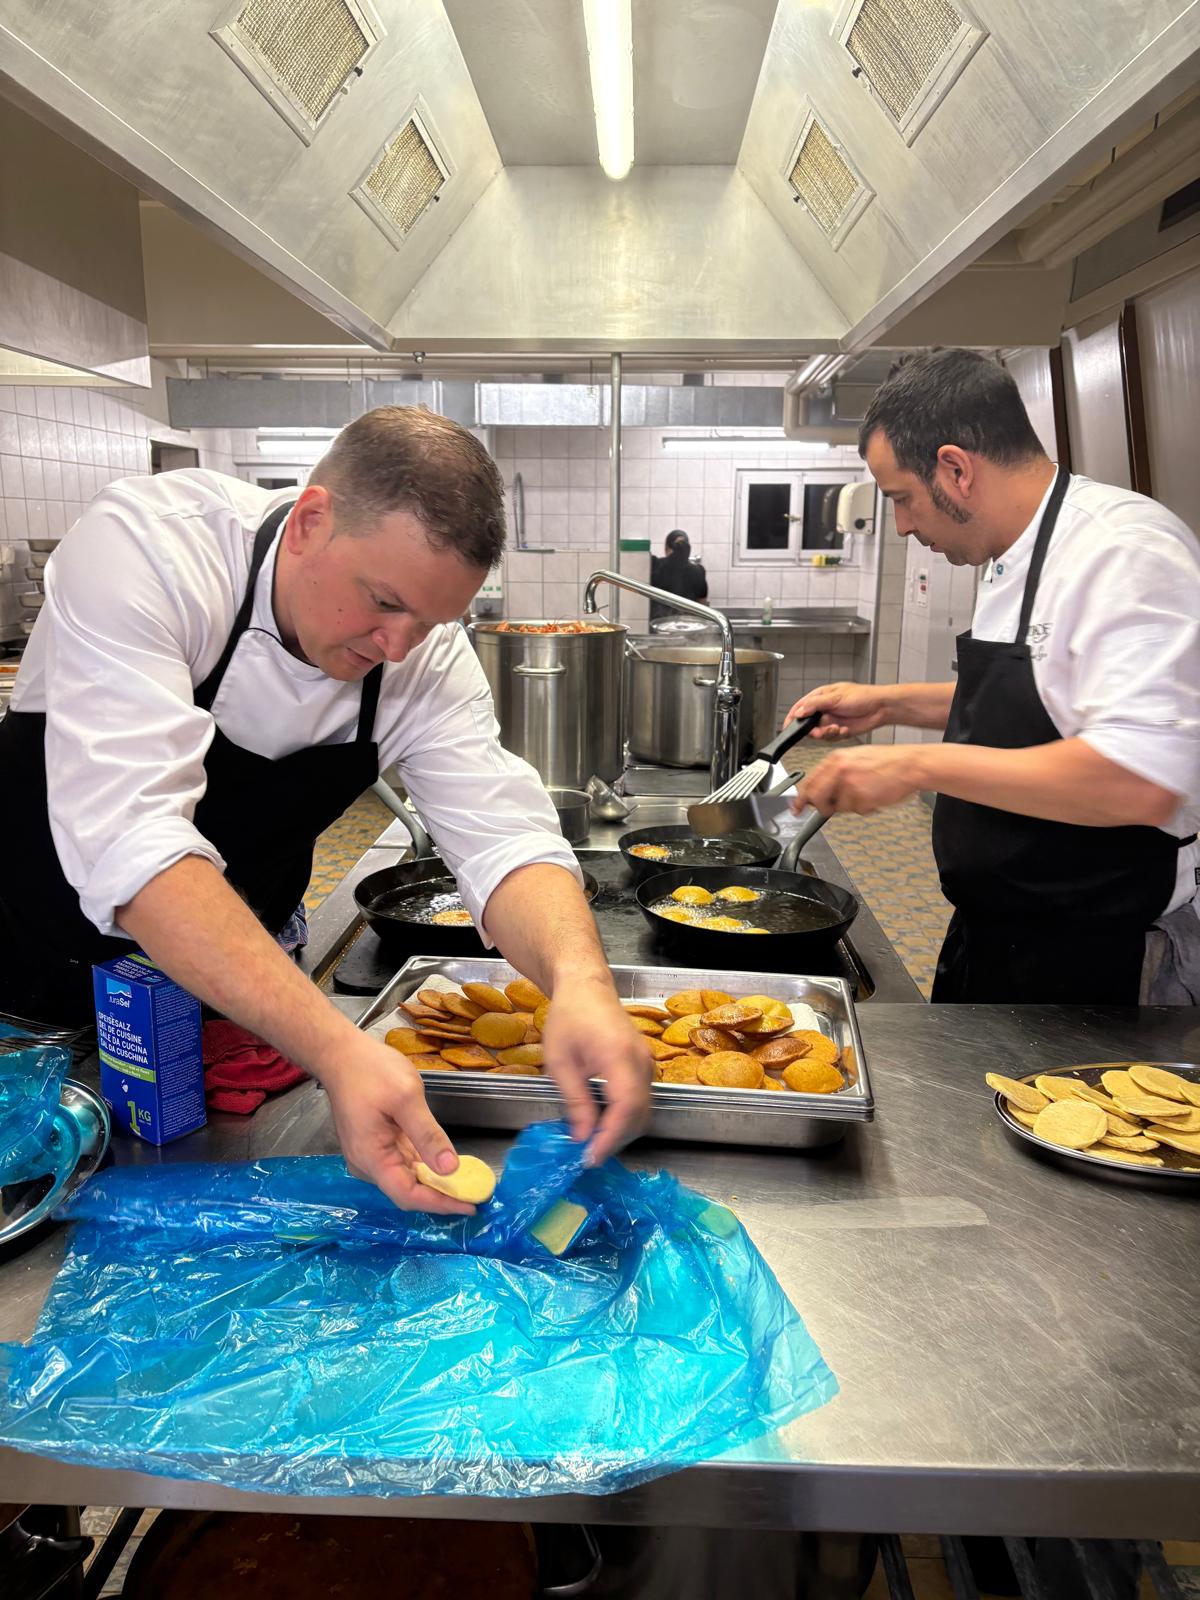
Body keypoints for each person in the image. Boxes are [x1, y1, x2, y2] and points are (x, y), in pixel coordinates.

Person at [0, 406, 651, 1208]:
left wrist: (581, 979)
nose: (401, 647)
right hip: (27, 1010)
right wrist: (340, 1051)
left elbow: (503, 836)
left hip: (230, 1009)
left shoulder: (421, 654)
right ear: (311, 520)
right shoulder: (150, 551)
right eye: (381, 602)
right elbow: (135, 845)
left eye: (433, 620)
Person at [784, 348, 1200, 1005]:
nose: (902, 524)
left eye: (902, 499)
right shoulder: (1012, 555)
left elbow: (1138, 780)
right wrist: (889, 703)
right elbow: (1037, 701)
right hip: (997, 935)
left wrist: (915, 766)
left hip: (1103, 959)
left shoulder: (1125, 553)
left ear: (955, 468)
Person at [649, 529, 707, 621]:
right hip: (689, 625)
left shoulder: (655, 566)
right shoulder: (699, 570)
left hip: (660, 625)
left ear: (666, 549)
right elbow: (702, 604)